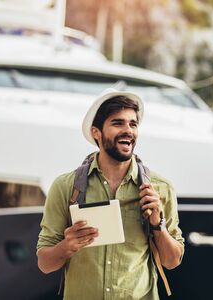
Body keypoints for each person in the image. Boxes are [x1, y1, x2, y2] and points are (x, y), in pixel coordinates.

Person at [37, 88, 184, 299]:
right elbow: (44, 263)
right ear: (96, 132)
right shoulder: (65, 187)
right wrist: (66, 246)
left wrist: (157, 224)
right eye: (118, 123)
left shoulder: (160, 188)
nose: (128, 130)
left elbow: (172, 261)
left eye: (133, 124)